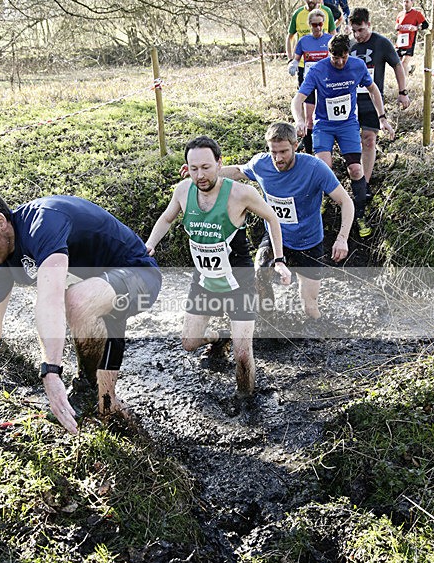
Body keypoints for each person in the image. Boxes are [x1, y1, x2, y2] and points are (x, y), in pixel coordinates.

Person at [0, 186, 162, 434]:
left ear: (0, 222)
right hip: (97, 292)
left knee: (76, 300)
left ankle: (85, 389)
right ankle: (136, 434)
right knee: (107, 408)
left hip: (139, 276)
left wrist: (51, 372)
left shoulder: (43, 223)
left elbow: (51, 299)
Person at [146, 136, 291, 398]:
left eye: (206, 167)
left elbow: (272, 218)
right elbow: (167, 218)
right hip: (204, 280)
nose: (200, 175)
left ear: (219, 164)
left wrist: (279, 259)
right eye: (193, 169)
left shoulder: (240, 193)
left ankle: (247, 403)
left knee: (243, 355)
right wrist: (149, 245)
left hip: (239, 281)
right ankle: (219, 335)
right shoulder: (182, 191)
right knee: (189, 343)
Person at [219, 122, 354, 326]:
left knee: (310, 307)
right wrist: (208, 172)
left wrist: (342, 238)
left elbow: (346, 201)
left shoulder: (315, 168)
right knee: (259, 272)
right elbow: (238, 170)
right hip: (275, 237)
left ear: (295, 145)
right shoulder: (261, 165)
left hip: (309, 241)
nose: (278, 158)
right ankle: (269, 323)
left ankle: (318, 337)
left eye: (283, 151)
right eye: (274, 152)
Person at [291, 33, 395, 238]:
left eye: (343, 57)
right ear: (328, 54)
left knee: (356, 170)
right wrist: (300, 120)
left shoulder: (357, 66)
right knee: (323, 168)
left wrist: (382, 118)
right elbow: (298, 99)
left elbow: (374, 90)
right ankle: (318, 211)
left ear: (349, 53)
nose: (339, 62)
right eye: (335, 58)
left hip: (348, 124)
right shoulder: (318, 70)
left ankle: (360, 214)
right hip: (324, 126)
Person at [349, 8, 410, 199]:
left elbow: (397, 66)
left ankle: (364, 184)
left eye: (361, 30)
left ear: (369, 25)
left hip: (372, 101)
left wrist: (402, 92)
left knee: (369, 140)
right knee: (351, 144)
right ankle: (352, 175)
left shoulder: (381, 43)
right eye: (354, 31)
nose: (357, 35)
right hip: (349, 102)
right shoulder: (349, 45)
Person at [288, 9, 332, 154]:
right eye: (314, 25)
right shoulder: (304, 41)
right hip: (310, 83)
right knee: (309, 119)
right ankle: (309, 151)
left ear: (324, 23)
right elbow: (296, 58)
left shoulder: (329, 40)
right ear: (310, 25)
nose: (318, 28)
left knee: (328, 116)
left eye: (320, 24)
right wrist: (293, 64)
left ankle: (326, 148)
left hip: (327, 83)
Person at [286, 0, 336, 65]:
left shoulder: (327, 11)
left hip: (325, 63)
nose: (311, 0)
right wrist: (290, 58)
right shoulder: (297, 14)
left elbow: (333, 35)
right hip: (304, 63)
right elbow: (290, 36)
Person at [395, 0, 429, 75]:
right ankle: (410, 69)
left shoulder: (417, 14)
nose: (405, 4)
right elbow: (396, 25)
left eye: (407, 2)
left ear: (412, 3)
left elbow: (426, 25)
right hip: (400, 42)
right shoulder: (400, 14)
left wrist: (416, 28)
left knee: (403, 64)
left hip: (410, 42)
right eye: (404, 2)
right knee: (397, 64)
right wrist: (396, 26)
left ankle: (405, 84)